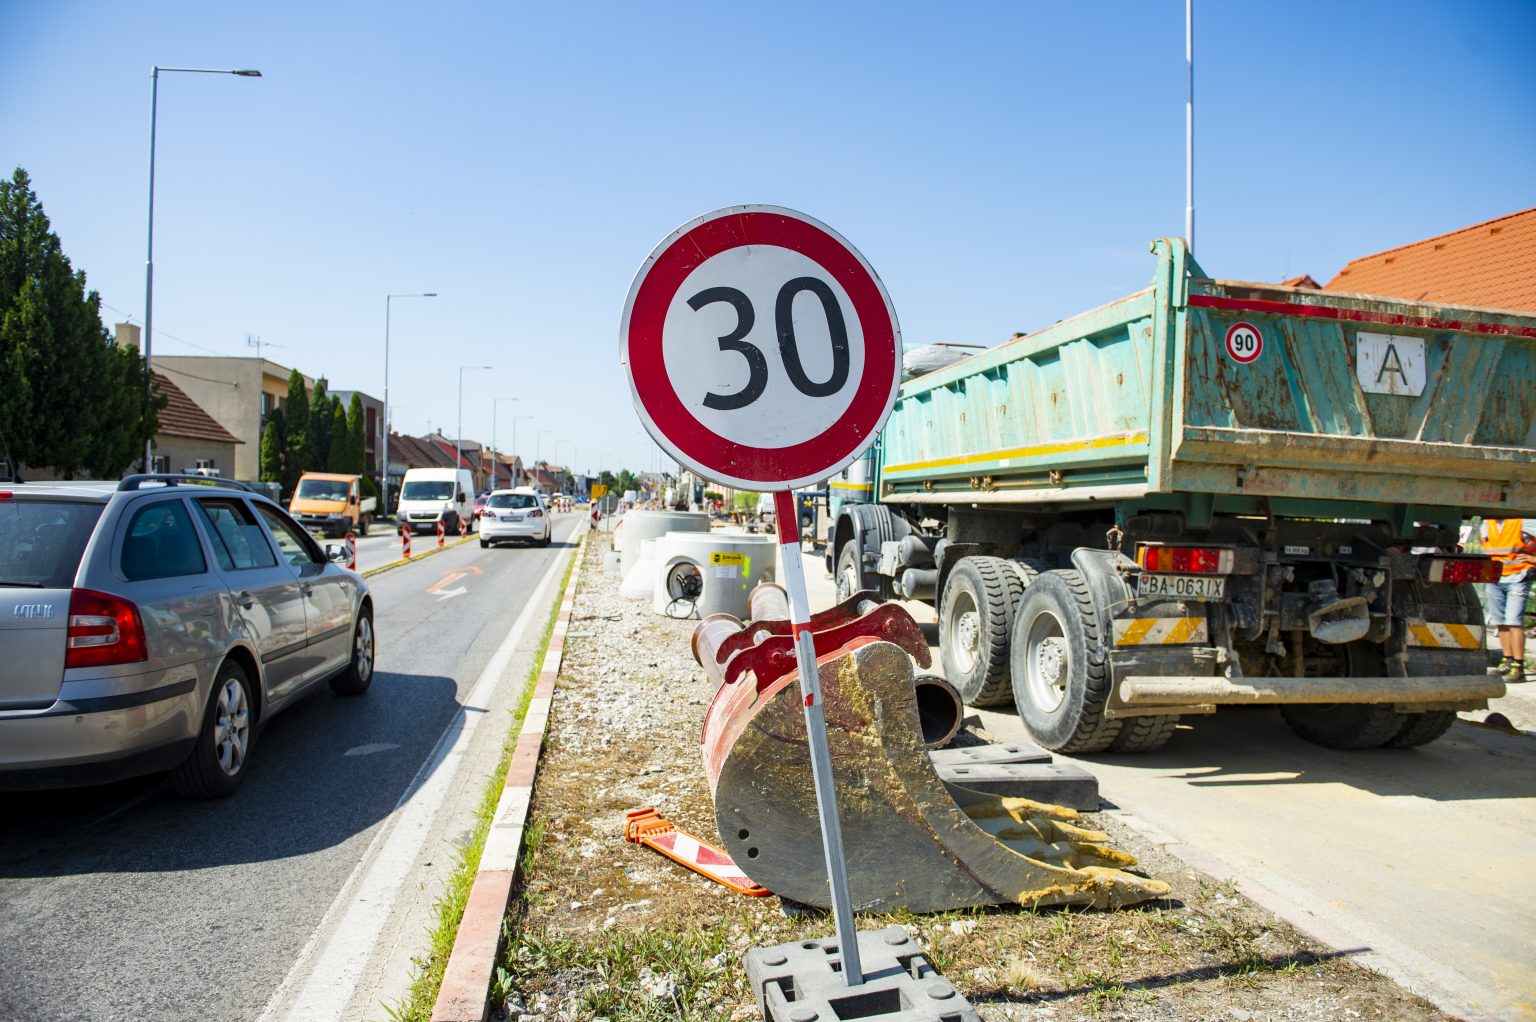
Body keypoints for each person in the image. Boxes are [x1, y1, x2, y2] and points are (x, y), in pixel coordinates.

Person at [1480, 517, 1535, 680]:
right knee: (1501, 623)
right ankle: (1508, 660)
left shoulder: (1521, 521)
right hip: (1495, 577)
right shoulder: (1487, 522)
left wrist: (1533, 560)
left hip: (1518, 577)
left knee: (1513, 622)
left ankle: (1518, 666)